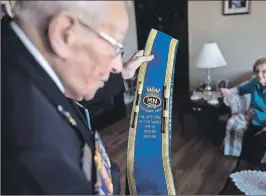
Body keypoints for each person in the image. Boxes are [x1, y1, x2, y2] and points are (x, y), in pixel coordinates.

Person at [1, 1, 153, 194]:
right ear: (64, 34)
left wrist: (123, 73)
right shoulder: (36, 149)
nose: (116, 65)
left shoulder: (14, 53)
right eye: (114, 46)